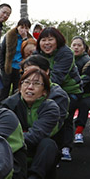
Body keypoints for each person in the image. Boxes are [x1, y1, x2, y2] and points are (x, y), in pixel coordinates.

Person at [0, 65, 66, 179]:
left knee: (48, 144)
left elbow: (36, 136)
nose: (30, 87)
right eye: (26, 82)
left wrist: (17, 137)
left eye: (36, 84)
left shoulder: (50, 107)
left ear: (44, 91)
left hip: (39, 160)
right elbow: (1, 134)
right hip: (15, 158)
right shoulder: (9, 105)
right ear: (20, 86)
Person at [35, 27, 81, 160]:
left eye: (50, 39)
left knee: (64, 116)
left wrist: (38, 88)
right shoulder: (37, 54)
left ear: (58, 41)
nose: (47, 43)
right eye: (43, 40)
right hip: (45, 88)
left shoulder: (66, 53)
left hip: (70, 90)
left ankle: (65, 147)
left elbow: (57, 77)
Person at [71, 36, 90, 144]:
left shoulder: (89, 62)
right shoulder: (66, 60)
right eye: (74, 45)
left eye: (79, 45)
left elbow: (86, 78)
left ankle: (78, 132)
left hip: (85, 94)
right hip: (70, 93)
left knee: (84, 106)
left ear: (84, 47)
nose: (76, 47)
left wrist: (71, 85)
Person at [0, 18, 33, 100]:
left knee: (17, 90)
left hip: (20, 68)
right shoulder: (9, 36)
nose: (23, 30)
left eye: (26, 28)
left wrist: (25, 39)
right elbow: (2, 52)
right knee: (4, 90)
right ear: (17, 27)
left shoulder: (29, 39)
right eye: (22, 27)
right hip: (8, 67)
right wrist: (2, 67)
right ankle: (0, 105)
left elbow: (29, 52)